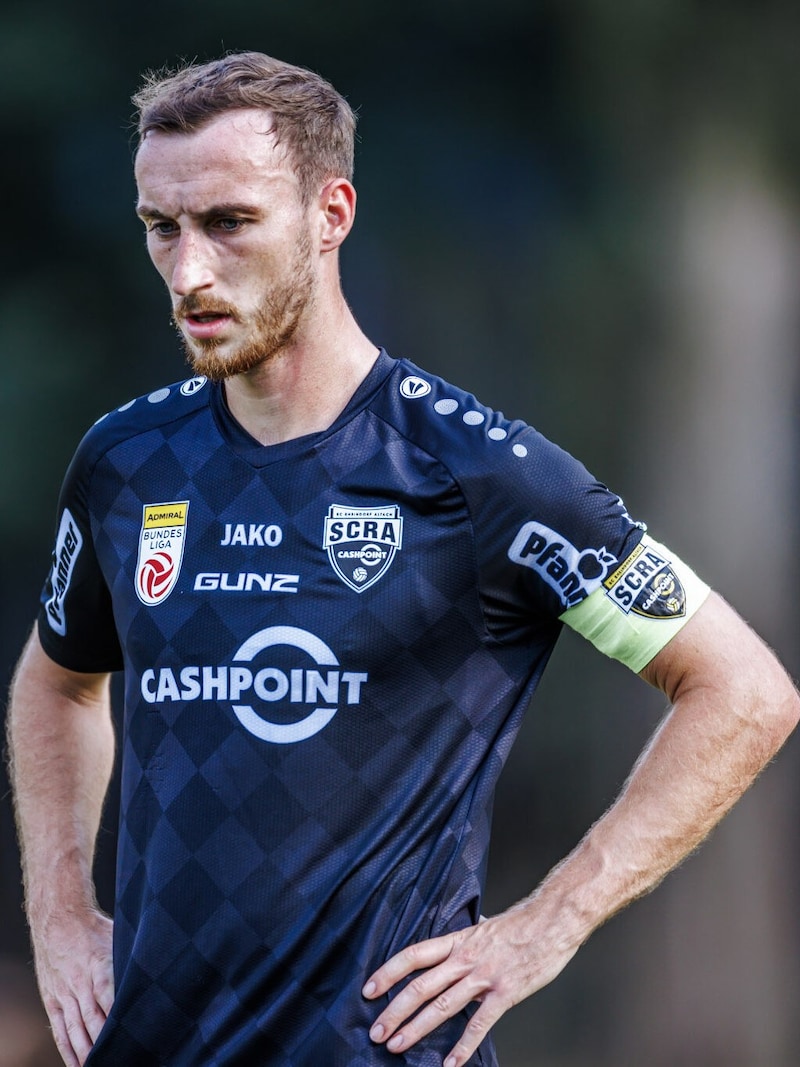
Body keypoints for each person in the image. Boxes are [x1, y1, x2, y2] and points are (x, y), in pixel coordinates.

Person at [6, 50, 799, 1067]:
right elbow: (56, 683)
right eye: (162, 227)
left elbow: (740, 690)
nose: (188, 270)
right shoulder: (126, 461)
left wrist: (545, 922)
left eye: (228, 223)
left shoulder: (478, 473)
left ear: (330, 214)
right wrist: (63, 916)